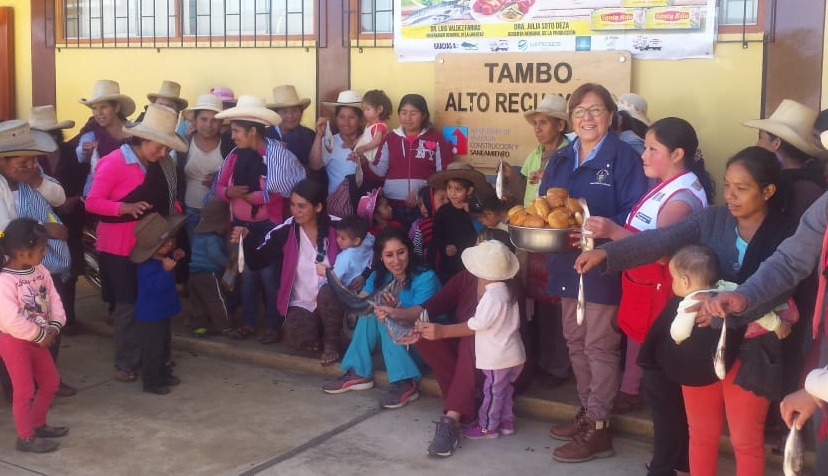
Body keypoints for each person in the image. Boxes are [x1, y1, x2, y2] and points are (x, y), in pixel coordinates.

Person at [575, 146, 797, 476]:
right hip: (700, 344)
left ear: (768, 191)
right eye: (727, 185)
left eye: (742, 188)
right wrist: (609, 255)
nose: (731, 196)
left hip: (754, 350)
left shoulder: (787, 232)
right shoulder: (712, 219)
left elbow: (783, 284)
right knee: (701, 434)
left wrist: (731, 309)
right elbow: (660, 239)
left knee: (745, 440)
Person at [538, 82, 649, 463]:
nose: (587, 118)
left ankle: (600, 428)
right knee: (574, 339)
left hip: (602, 264)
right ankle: (587, 413)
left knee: (599, 346)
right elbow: (547, 206)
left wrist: (608, 226)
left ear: (610, 117)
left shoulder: (624, 158)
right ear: (571, 119)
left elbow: (639, 215)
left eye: (595, 110)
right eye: (580, 111)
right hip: (565, 262)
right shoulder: (562, 156)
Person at [583, 117, 714, 420]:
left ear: (677, 155)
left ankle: (667, 452)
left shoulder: (680, 199)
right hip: (643, 289)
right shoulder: (664, 185)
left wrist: (613, 233)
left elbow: (662, 254)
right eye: (645, 147)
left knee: (661, 374)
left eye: (652, 149)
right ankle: (632, 392)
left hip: (660, 292)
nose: (643, 155)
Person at [84, 104, 188, 383]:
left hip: (154, 245)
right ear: (143, 139)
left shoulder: (164, 165)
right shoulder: (114, 161)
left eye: (168, 148)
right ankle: (127, 361)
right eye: (160, 146)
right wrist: (124, 208)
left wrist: (174, 217)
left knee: (153, 303)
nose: (164, 153)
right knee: (128, 305)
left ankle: (155, 358)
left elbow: (170, 199)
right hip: (118, 247)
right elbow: (93, 202)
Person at [213, 95, 306, 344]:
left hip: (267, 227)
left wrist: (260, 197)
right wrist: (229, 193)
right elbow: (217, 187)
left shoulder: (276, 155)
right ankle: (249, 322)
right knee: (246, 275)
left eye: (236, 131)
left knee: (268, 277)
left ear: (252, 131)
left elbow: (288, 186)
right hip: (241, 227)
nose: (232, 136)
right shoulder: (234, 155)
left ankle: (274, 325)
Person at [323, 226, 440, 409]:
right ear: (380, 257)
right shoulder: (379, 276)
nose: (396, 261)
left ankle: (405, 381)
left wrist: (394, 311)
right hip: (399, 342)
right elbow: (359, 303)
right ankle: (358, 371)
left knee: (382, 313)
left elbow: (419, 313)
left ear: (409, 250)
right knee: (371, 309)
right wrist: (335, 280)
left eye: (401, 252)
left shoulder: (425, 277)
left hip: (425, 343)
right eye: (389, 255)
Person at [0, 120, 77, 397]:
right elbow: (6, 230)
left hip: (46, 263)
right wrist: (45, 230)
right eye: (22, 161)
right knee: (18, 327)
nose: (30, 165)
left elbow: (58, 197)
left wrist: (37, 179)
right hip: (14, 269)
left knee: (48, 320)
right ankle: (20, 388)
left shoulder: (34, 177)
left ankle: (48, 379)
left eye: (33, 159)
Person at [232, 179, 347, 365]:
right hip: (304, 302)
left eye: (302, 206)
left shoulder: (339, 227)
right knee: (295, 339)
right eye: (293, 205)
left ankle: (331, 344)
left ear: (318, 207)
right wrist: (247, 239)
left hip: (337, 299)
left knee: (328, 289)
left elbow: (368, 251)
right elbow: (257, 262)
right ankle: (319, 332)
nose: (295, 211)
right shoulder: (285, 231)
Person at [0, 218, 68, 453]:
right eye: (41, 249)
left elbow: (53, 298)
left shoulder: (40, 270)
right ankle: (25, 437)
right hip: (15, 341)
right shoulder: (5, 281)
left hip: (39, 339)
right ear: (21, 252)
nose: (44, 253)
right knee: (24, 390)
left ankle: (38, 424)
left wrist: (55, 325)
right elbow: (9, 319)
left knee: (50, 382)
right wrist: (39, 335)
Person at [458, 240, 525, 440]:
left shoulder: (492, 295)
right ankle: (506, 422)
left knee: (493, 392)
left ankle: (488, 426)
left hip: (498, 357)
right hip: (513, 354)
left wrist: (468, 323)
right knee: (504, 390)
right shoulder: (508, 290)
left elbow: (481, 322)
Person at [29, 106, 86, 339]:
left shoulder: (69, 152)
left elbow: (82, 180)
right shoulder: (31, 158)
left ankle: (67, 316)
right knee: (43, 269)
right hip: (40, 221)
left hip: (69, 218)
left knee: (69, 268)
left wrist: (74, 200)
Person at [668, 245, 793, 344]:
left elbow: (680, 332)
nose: (672, 282)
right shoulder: (726, 287)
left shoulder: (690, 303)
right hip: (743, 333)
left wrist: (677, 339)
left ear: (685, 281)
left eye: (673, 278)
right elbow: (755, 309)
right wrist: (777, 325)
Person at [372, 94, 453, 227]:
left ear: (424, 115)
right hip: (392, 208)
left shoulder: (435, 139)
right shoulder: (390, 139)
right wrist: (362, 162)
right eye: (404, 113)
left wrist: (420, 192)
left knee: (419, 243)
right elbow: (379, 171)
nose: (408, 118)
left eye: (413, 113)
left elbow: (443, 175)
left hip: (423, 208)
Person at [129, 213, 185, 395]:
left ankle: (164, 373)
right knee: (153, 350)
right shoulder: (146, 266)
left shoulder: (161, 260)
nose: (169, 245)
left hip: (161, 313)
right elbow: (153, 287)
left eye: (170, 241)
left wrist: (174, 260)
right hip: (150, 316)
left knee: (164, 346)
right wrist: (166, 271)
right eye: (165, 243)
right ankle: (152, 382)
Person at [308, 90, 381, 217]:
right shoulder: (331, 142)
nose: (346, 122)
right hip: (339, 207)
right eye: (341, 117)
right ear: (336, 118)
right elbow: (314, 165)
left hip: (367, 207)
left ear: (360, 119)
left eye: (351, 117)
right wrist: (319, 135)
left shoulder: (370, 141)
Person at [177, 93, 234, 241]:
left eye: (214, 120)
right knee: (195, 256)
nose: (208, 125)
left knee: (219, 257)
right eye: (203, 119)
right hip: (190, 211)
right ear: (195, 120)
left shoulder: (229, 145)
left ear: (221, 123)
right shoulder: (184, 144)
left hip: (221, 215)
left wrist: (219, 181)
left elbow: (238, 176)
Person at [428, 163, 491, 284]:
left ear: (469, 190)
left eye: (458, 189)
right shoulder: (442, 211)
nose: (452, 193)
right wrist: (445, 247)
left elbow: (484, 232)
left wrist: (472, 214)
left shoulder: (477, 209)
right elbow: (436, 236)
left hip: (473, 265)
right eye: (449, 188)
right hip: (450, 266)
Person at [73, 79, 136, 195]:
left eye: (103, 107)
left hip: (129, 193)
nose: (98, 113)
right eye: (94, 108)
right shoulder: (92, 134)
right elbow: (80, 154)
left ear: (116, 108)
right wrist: (85, 150)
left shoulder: (135, 133)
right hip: (98, 194)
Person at [189, 198, 231, 338]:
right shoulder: (213, 239)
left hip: (194, 274)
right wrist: (227, 263)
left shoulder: (198, 235)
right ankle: (223, 325)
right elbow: (214, 255)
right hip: (209, 274)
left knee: (198, 302)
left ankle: (199, 327)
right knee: (217, 299)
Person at [266, 85, 320, 183]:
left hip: (301, 192)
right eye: (284, 112)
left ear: (301, 113)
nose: (290, 116)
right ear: (276, 114)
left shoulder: (309, 135)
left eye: (295, 111)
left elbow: (316, 170)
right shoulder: (266, 135)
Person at [319, 216, 375, 291]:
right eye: (338, 236)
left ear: (356, 241)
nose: (338, 240)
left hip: (346, 290)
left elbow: (334, 278)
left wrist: (324, 272)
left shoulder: (345, 257)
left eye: (343, 238)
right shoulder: (368, 241)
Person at [409, 185, 447, 267]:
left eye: (426, 203)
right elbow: (417, 247)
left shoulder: (447, 220)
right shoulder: (422, 225)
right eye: (420, 205)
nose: (423, 208)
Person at [353, 90, 392, 163]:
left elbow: (377, 141)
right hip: (364, 153)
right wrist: (357, 140)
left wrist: (364, 148)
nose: (365, 112)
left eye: (368, 109)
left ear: (379, 109)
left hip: (371, 155)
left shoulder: (379, 126)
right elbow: (365, 135)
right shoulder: (370, 124)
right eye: (363, 110)